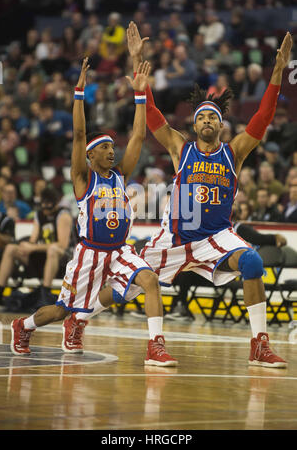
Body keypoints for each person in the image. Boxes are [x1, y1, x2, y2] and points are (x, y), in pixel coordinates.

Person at [116, 22, 293, 368]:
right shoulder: (180, 147)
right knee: (125, 284)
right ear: (194, 125)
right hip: (175, 237)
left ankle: (259, 344)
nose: (209, 120)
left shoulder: (234, 152)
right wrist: (137, 61)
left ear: (222, 125)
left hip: (216, 236)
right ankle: (78, 317)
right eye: (203, 117)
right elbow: (151, 116)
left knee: (253, 261)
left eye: (214, 116)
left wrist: (277, 73)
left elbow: (263, 117)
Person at [10, 57, 177, 367]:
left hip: (120, 251)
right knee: (61, 310)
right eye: (105, 148)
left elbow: (139, 136)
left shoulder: (120, 174)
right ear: (90, 155)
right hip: (90, 253)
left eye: (113, 147)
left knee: (149, 281)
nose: (112, 151)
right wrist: (79, 94)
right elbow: (77, 134)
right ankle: (24, 326)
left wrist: (141, 94)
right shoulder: (82, 178)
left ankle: (155, 347)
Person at [0, 187, 73, 308]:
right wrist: (26, 246)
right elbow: (33, 240)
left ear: (56, 203)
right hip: (42, 259)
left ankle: (45, 294)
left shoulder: (63, 215)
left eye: (49, 204)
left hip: (61, 262)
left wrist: (33, 247)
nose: (45, 207)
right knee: (11, 248)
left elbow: (62, 245)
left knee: (53, 250)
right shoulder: (39, 215)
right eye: (44, 203)